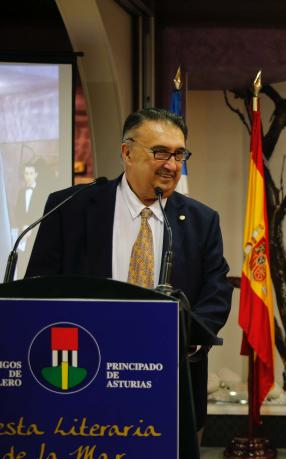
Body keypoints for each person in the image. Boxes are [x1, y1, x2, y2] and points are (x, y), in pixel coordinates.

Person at [25, 108, 232, 437]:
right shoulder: (72, 208)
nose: (171, 165)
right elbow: (39, 286)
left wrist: (184, 338)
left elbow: (216, 289)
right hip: (81, 376)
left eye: (179, 154)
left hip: (171, 380)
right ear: (127, 152)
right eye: (160, 152)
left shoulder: (200, 220)